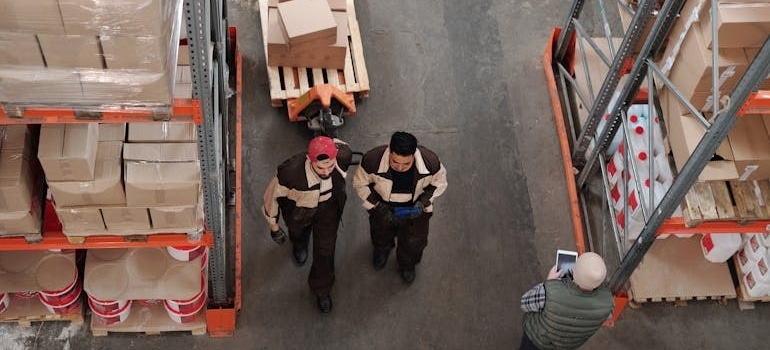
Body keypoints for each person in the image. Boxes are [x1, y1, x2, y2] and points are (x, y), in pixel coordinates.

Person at [261, 136, 352, 313]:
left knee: (326, 251)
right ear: (310, 160)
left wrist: (328, 139)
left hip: (328, 211)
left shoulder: (343, 156)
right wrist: (274, 226)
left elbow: (341, 144)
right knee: (298, 234)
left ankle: (322, 289)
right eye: (320, 167)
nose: (326, 172)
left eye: (330, 166)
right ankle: (299, 243)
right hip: (299, 213)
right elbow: (272, 197)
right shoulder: (289, 174)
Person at [352, 131, 447, 284]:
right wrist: (378, 205)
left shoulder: (431, 162)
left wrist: (422, 203)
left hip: (415, 211)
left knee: (414, 241)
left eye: (406, 164)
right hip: (383, 207)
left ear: (414, 155)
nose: (400, 168)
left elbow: (439, 184)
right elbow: (360, 184)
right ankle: (382, 249)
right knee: (380, 233)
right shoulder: (372, 160)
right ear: (389, 149)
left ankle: (407, 264)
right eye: (395, 162)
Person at [519, 252, 615, 350]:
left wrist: (548, 282)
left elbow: (525, 303)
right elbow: (607, 316)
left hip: (538, 341)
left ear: (574, 271)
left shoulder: (549, 292)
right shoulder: (608, 304)